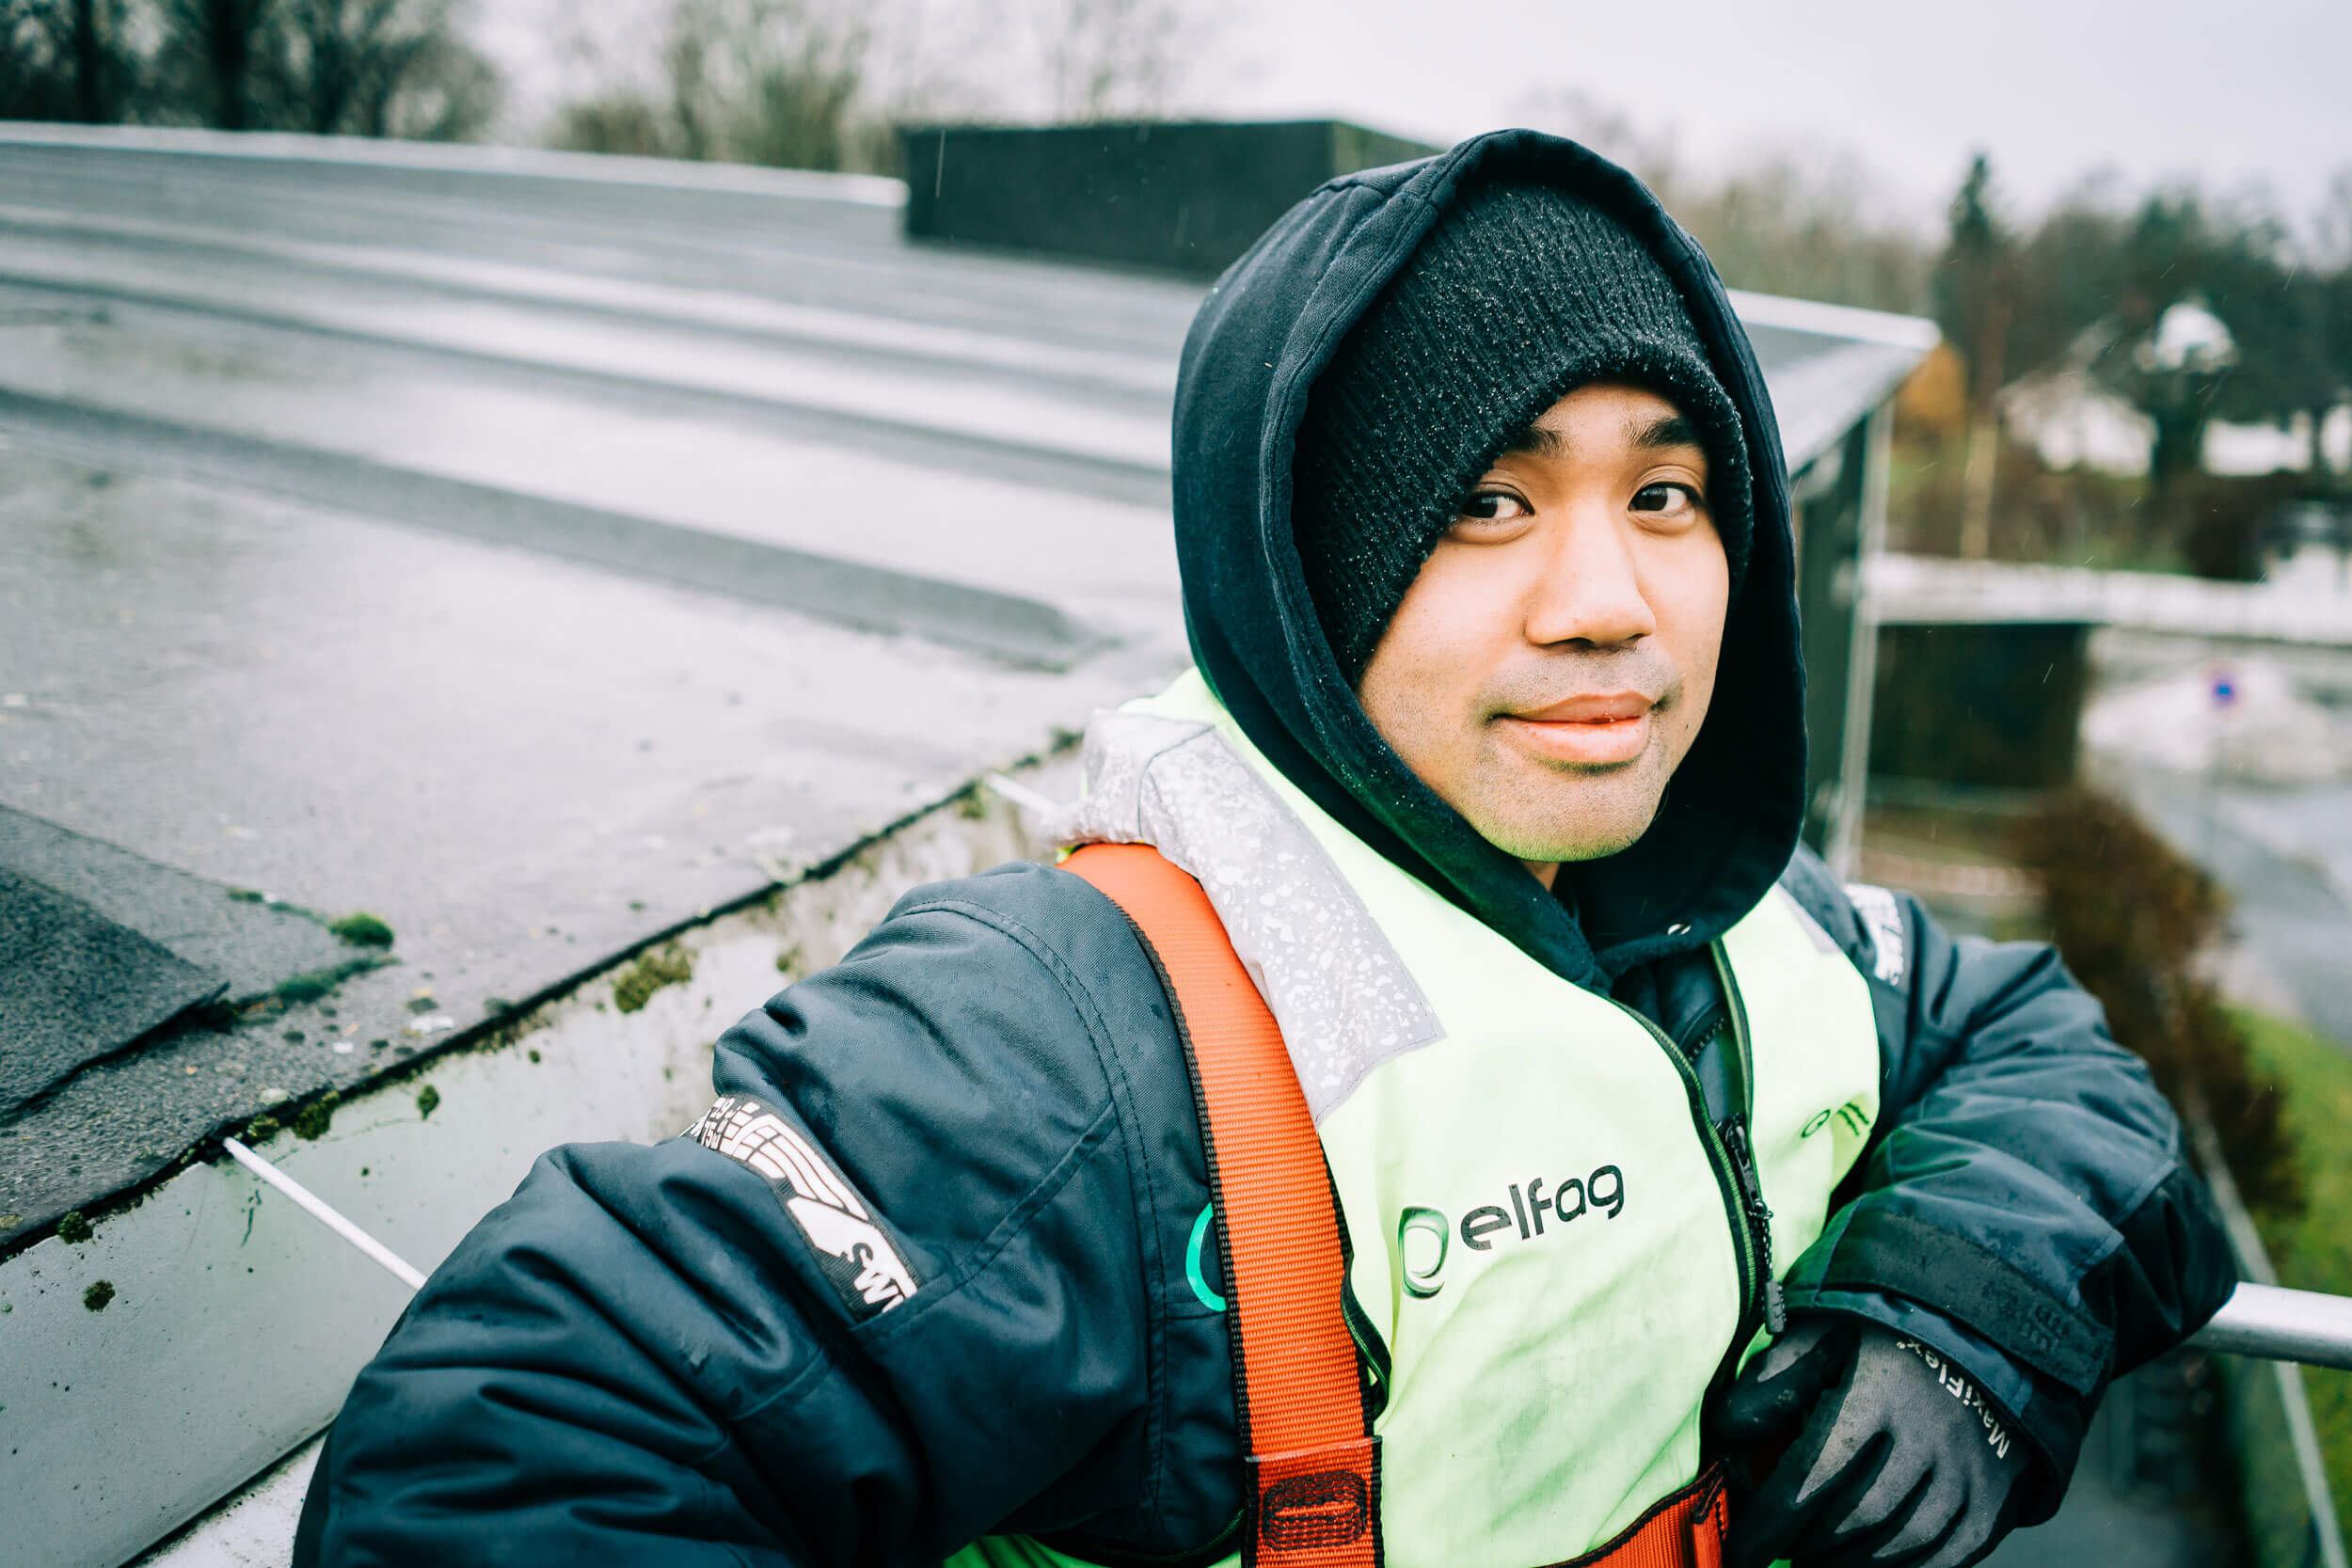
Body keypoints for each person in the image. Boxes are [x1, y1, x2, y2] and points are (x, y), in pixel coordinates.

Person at [294, 131, 2234, 1568]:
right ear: (1306, 573)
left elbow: (2037, 1052)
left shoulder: (1756, 927)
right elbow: (505, 1457)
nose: (1609, 602)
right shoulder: (1072, 1041)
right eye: (1485, 502)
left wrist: (1956, 1315)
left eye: (1665, 489)